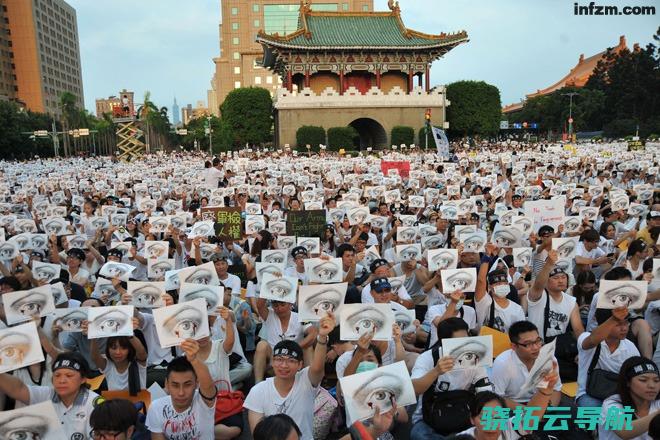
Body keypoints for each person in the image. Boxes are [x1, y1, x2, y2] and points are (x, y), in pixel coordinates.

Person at [244, 311, 336, 440]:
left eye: (291, 361)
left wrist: (322, 337)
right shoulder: (258, 391)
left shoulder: (306, 382)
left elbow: (317, 368)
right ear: (272, 362)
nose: (284, 365)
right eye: (279, 359)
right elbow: (258, 434)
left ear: (300, 365)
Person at [410, 318, 493, 440]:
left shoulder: (474, 357)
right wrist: (436, 371)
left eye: (466, 340)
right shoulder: (428, 358)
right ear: (444, 343)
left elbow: (486, 394)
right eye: (458, 343)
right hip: (430, 419)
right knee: (418, 434)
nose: (464, 346)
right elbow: (414, 389)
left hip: (463, 415)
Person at [0, 352, 99, 440]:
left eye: (69, 376)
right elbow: (18, 389)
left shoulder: (95, 404)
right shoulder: (47, 394)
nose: (62, 380)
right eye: (57, 375)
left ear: (83, 379)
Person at [145, 340, 217, 440]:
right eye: (175, 385)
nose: (181, 392)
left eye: (187, 385)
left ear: (196, 383)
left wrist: (194, 360)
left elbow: (208, 387)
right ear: (167, 384)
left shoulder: (203, 402)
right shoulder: (156, 408)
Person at [576, 307, 640, 407]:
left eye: (626, 323)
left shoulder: (630, 346)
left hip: (618, 397)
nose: (624, 328)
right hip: (589, 394)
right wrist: (614, 319)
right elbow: (591, 341)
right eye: (618, 324)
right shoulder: (586, 337)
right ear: (604, 323)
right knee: (592, 412)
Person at [491, 320, 563, 409]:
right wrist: (529, 412)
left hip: (543, 401)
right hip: (515, 406)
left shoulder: (549, 359)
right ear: (514, 346)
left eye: (538, 341)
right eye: (528, 344)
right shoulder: (502, 363)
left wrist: (550, 409)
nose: (536, 347)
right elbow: (497, 398)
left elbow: (556, 390)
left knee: (573, 414)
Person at [599, 356, 660, 440]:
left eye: (656, 381)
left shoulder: (657, 402)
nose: (652, 386)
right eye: (643, 380)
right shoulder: (611, 405)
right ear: (627, 382)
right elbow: (624, 431)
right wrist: (657, 414)